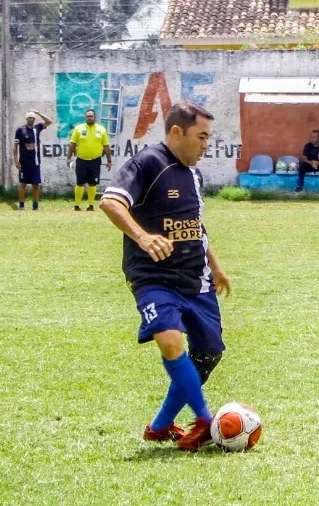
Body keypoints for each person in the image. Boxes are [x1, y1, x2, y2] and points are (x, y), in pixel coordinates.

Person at [99, 102, 233, 451]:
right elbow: (111, 202)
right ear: (177, 132)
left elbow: (195, 225)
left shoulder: (194, 175)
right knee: (171, 341)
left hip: (196, 279)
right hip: (152, 276)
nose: (207, 144)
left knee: (209, 353)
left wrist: (215, 265)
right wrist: (143, 237)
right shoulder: (147, 163)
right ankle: (205, 419)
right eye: (201, 136)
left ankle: (159, 426)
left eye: (209, 137)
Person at [68, 109, 113, 211]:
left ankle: (91, 205)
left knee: (93, 183)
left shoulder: (101, 130)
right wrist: (69, 157)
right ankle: (77, 205)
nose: (89, 117)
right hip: (81, 160)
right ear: (85, 117)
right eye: (88, 116)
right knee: (80, 183)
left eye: (91, 116)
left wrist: (109, 161)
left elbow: (106, 147)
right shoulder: (78, 129)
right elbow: (72, 144)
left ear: (94, 117)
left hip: (95, 161)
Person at [12, 110, 53, 210]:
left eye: (33, 118)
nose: (32, 119)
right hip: (24, 162)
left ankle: (35, 206)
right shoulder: (20, 130)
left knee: (36, 184)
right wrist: (16, 161)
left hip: (35, 162)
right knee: (23, 184)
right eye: (30, 117)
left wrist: (38, 113)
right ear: (26, 118)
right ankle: (22, 206)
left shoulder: (37, 128)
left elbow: (49, 122)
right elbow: (15, 146)